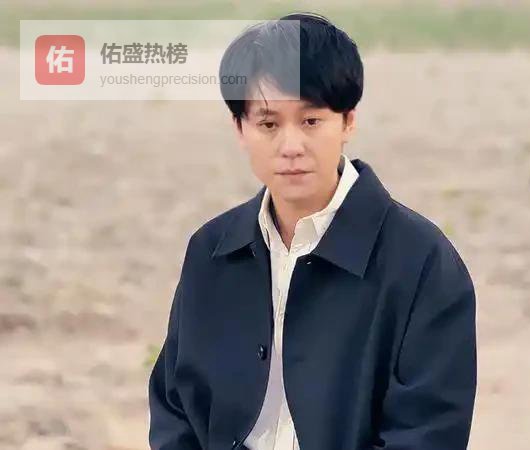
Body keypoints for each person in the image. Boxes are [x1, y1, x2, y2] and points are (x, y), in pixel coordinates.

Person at [148, 13, 477, 450]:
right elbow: (175, 408)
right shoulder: (211, 250)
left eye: (311, 121)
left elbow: (428, 432)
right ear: (240, 129)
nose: (291, 146)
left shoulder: (422, 261)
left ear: (348, 121)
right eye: (268, 124)